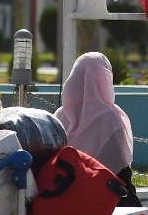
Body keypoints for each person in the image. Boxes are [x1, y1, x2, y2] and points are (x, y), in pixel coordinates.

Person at [55, 52, 141, 206]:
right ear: (104, 79)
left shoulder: (60, 115)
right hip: (104, 198)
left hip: (65, 194)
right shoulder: (111, 117)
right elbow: (120, 164)